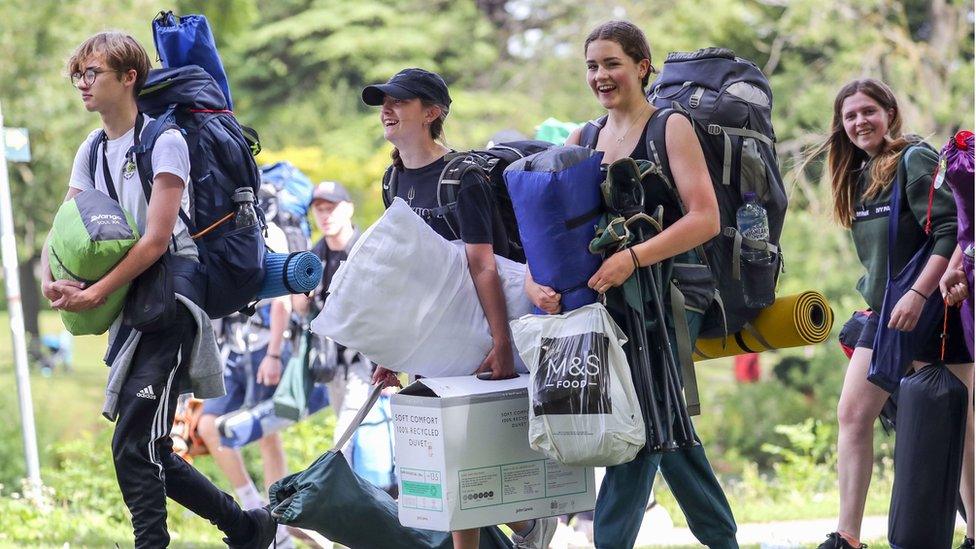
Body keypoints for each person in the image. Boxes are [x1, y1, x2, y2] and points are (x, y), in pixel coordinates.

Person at [40, 32, 275, 548]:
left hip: (172, 295)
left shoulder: (166, 141)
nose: (82, 83)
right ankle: (246, 527)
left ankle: (156, 542)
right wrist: (49, 274)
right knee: (149, 446)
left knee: (133, 444)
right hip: (135, 298)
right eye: (78, 74)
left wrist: (96, 292)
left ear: (129, 78)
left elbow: (155, 240)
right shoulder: (94, 148)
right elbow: (67, 222)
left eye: (92, 73)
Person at [530, 20, 739, 549]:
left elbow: (704, 218)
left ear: (642, 66)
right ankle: (722, 538)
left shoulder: (669, 127)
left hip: (672, 295)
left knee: (641, 419)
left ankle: (616, 540)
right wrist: (541, 283)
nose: (601, 75)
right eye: (592, 66)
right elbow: (557, 228)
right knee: (658, 424)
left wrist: (635, 257)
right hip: (610, 301)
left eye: (612, 63)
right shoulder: (585, 137)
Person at [362, 68, 557, 549]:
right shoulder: (394, 178)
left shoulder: (463, 178)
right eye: (383, 102)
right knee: (445, 454)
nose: (387, 110)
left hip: (482, 325)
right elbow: (408, 268)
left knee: (467, 450)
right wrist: (393, 349)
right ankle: (525, 528)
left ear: (432, 113)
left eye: (400, 102)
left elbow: (484, 265)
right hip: (434, 330)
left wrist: (502, 342)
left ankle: (529, 524)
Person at [808, 78, 973, 549]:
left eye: (869, 111)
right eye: (850, 115)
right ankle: (848, 537)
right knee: (853, 414)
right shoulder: (857, 175)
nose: (860, 122)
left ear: (889, 113)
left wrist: (919, 295)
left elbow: (949, 233)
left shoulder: (914, 159)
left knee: (958, 424)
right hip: (883, 315)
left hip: (937, 310)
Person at [195, 221, 295, 549]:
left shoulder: (270, 229)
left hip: (265, 345)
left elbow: (282, 299)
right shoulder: (212, 227)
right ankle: (253, 507)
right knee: (209, 427)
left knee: (266, 434)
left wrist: (275, 353)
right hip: (233, 350)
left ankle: (279, 523)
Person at [294, 182, 381, 461]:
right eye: (319, 210)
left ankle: (339, 495)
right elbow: (300, 308)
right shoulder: (314, 255)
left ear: (349, 208)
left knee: (344, 437)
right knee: (350, 435)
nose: (325, 216)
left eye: (331, 208)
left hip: (365, 360)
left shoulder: (367, 248)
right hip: (331, 362)